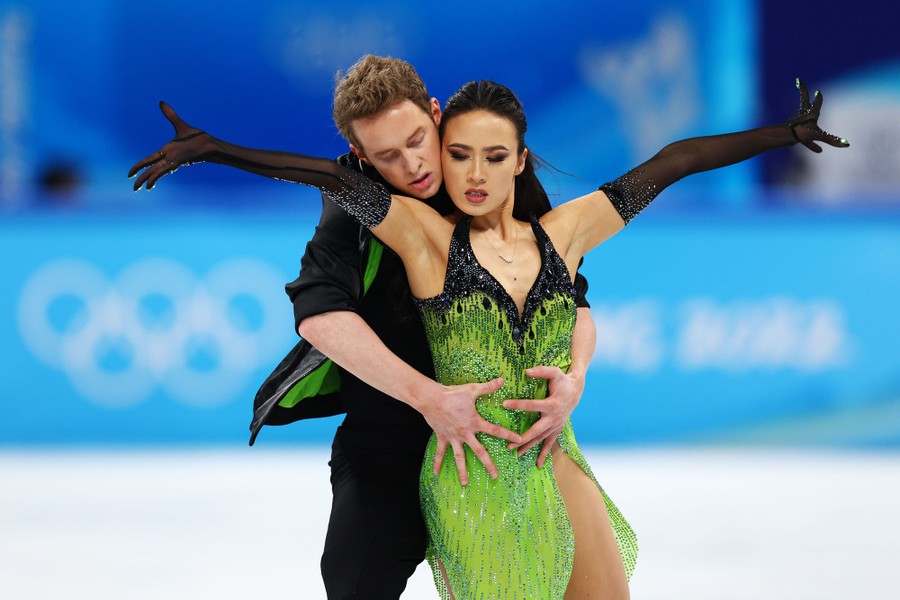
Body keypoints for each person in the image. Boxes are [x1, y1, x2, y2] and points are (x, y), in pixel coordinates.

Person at [130, 55, 598, 599]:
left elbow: (572, 300)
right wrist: (428, 397)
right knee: (352, 584)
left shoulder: (486, 169)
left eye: (418, 140)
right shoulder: (352, 198)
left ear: (435, 113)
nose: (414, 166)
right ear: (360, 156)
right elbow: (320, 316)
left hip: (501, 443)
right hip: (389, 439)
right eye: (388, 156)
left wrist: (576, 376)